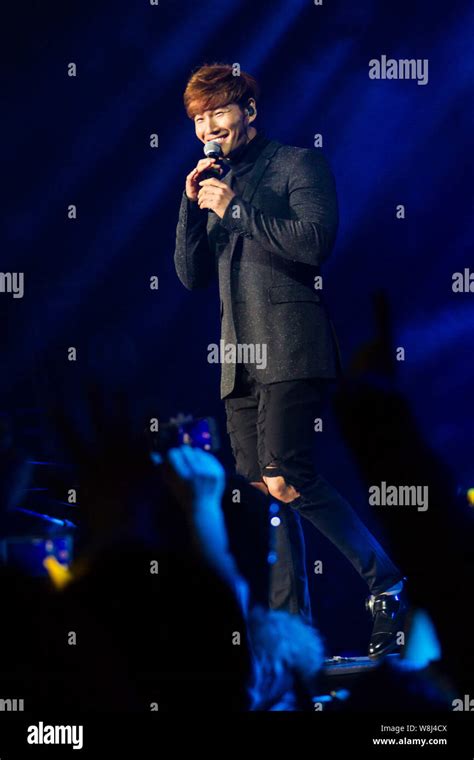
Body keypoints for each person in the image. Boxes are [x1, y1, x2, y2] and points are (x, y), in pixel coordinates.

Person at [173, 62, 407, 659]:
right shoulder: (214, 183)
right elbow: (191, 275)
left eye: (219, 113)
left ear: (249, 110)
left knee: (288, 474)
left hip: (291, 346)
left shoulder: (298, 164)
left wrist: (235, 210)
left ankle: (390, 585)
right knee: (262, 490)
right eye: (200, 119)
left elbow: (314, 243)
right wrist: (190, 204)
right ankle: (291, 636)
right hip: (238, 360)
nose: (210, 127)